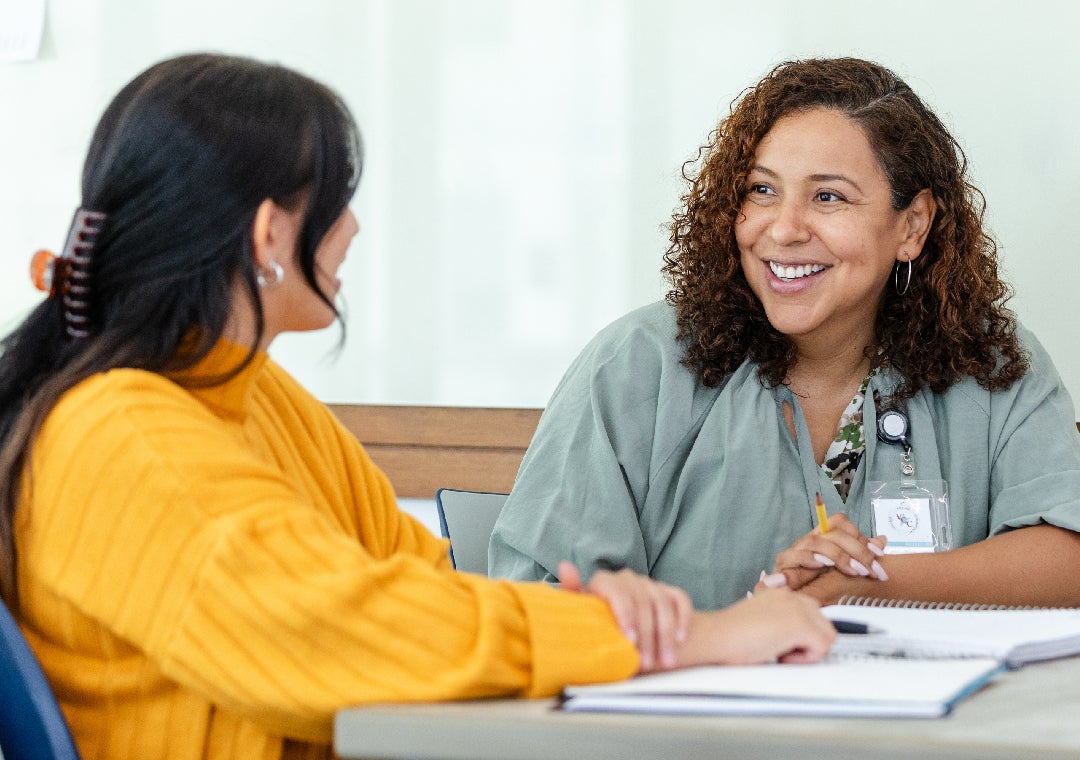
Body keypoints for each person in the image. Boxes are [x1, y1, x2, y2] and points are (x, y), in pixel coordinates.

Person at [0, 54, 834, 760]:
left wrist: (584, 616)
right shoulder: (123, 436)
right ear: (267, 236)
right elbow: (340, 634)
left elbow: (418, 587)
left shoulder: (250, 398)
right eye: (336, 200)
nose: (353, 226)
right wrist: (690, 639)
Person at [490, 56, 1080, 610]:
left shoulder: (992, 362)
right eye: (761, 190)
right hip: (690, 719)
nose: (784, 228)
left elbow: (1067, 557)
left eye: (828, 197)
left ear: (913, 225)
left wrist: (867, 584)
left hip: (935, 720)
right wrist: (734, 635)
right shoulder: (636, 366)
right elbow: (545, 600)